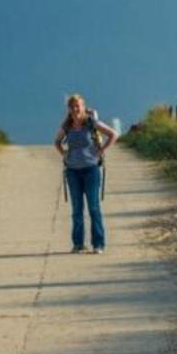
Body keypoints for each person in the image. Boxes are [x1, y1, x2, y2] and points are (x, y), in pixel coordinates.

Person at [54, 93, 116, 253]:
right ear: (69, 109)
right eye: (72, 106)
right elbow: (56, 141)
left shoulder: (92, 123)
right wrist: (64, 154)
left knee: (94, 208)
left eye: (78, 106)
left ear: (83, 107)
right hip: (72, 171)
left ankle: (98, 244)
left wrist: (101, 151)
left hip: (91, 169)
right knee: (77, 209)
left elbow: (113, 134)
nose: (75, 109)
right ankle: (78, 244)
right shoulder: (66, 126)